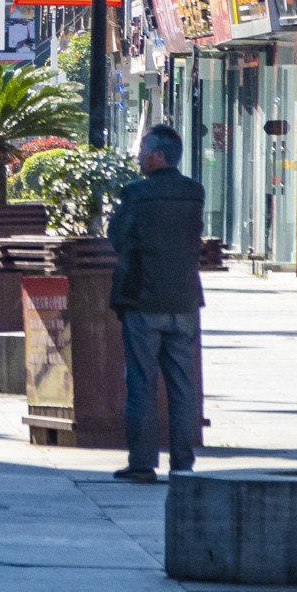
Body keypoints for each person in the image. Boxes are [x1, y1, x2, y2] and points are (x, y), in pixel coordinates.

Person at [106, 124, 205, 485]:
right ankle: (183, 461)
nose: (139, 156)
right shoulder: (195, 193)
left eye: (144, 149)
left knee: (141, 383)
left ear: (159, 156)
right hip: (184, 300)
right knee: (183, 384)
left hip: (143, 300)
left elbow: (119, 237)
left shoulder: (137, 193)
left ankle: (143, 462)